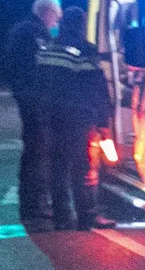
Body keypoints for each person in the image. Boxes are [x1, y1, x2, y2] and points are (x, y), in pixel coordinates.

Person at [31, 31, 114, 230]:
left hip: (51, 116)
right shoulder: (85, 50)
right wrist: (103, 119)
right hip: (78, 118)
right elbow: (96, 86)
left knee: (58, 167)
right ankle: (86, 216)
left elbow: (38, 83)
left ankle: (61, 217)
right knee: (83, 168)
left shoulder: (48, 48)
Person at [4, 0, 61, 223]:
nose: (56, 22)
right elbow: (43, 67)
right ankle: (34, 204)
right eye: (55, 16)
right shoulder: (34, 33)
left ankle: (31, 201)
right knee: (38, 152)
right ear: (46, 12)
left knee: (34, 150)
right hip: (35, 100)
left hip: (28, 97)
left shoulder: (21, 30)